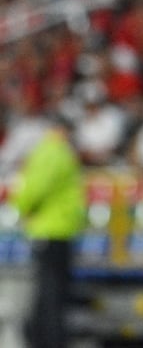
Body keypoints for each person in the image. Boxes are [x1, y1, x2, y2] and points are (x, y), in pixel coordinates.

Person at [9, 117, 87, 348]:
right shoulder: (53, 152)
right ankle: (48, 340)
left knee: (50, 291)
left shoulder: (52, 151)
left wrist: (23, 207)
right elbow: (35, 188)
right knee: (51, 293)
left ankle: (44, 338)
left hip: (54, 229)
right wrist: (21, 207)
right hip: (52, 230)